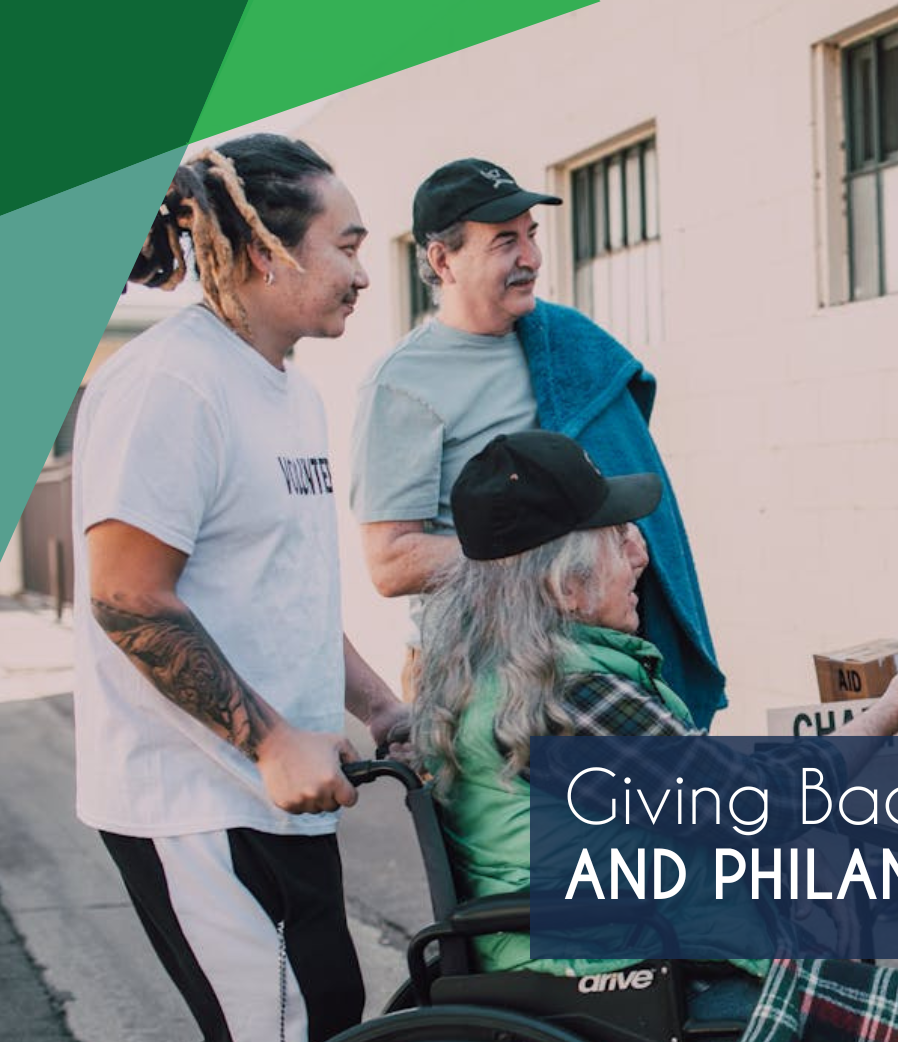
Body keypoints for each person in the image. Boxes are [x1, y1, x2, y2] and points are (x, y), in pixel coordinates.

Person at [412, 429, 898, 1042]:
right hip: (631, 969)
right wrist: (893, 710)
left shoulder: (488, 671)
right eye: (615, 540)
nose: (640, 556)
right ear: (563, 586)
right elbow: (763, 807)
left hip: (583, 953)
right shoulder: (569, 695)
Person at [75, 134, 409, 1042]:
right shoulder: (170, 383)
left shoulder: (289, 389)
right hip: (193, 798)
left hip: (280, 793)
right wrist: (269, 744)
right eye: (346, 246)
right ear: (267, 251)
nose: (364, 274)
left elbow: (282, 592)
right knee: (282, 1029)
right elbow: (127, 598)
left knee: (333, 1013)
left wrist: (381, 710)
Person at [351, 157, 725, 726]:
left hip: (594, 659)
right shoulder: (402, 384)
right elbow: (390, 563)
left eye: (531, 235)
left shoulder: (567, 343)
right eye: (505, 241)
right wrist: (548, 552)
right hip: (476, 669)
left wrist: (607, 546)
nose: (531, 258)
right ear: (441, 259)